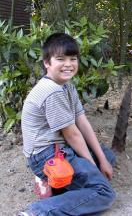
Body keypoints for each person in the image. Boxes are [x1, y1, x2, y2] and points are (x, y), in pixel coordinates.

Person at [20, 33, 116, 216]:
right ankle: (38, 211)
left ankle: (56, 185)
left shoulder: (67, 86)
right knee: (104, 192)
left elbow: (81, 121)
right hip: (45, 155)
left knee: (107, 156)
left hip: (59, 147)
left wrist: (101, 161)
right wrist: (93, 167)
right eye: (60, 59)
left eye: (73, 59)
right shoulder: (51, 91)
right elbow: (72, 134)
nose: (68, 64)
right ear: (47, 63)